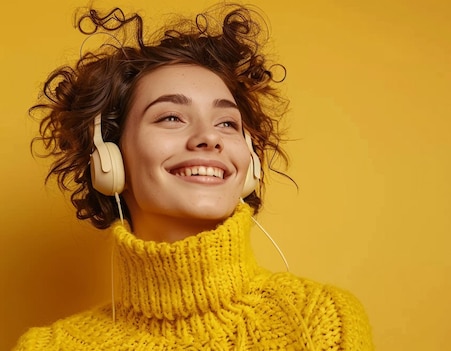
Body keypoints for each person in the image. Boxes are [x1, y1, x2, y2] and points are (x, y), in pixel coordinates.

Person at [13, 4, 373, 350]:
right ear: (110, 157)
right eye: (171, 117)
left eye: (227, 123)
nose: (209, 137)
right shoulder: (49, 347)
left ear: (250, 162)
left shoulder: (322, 320)